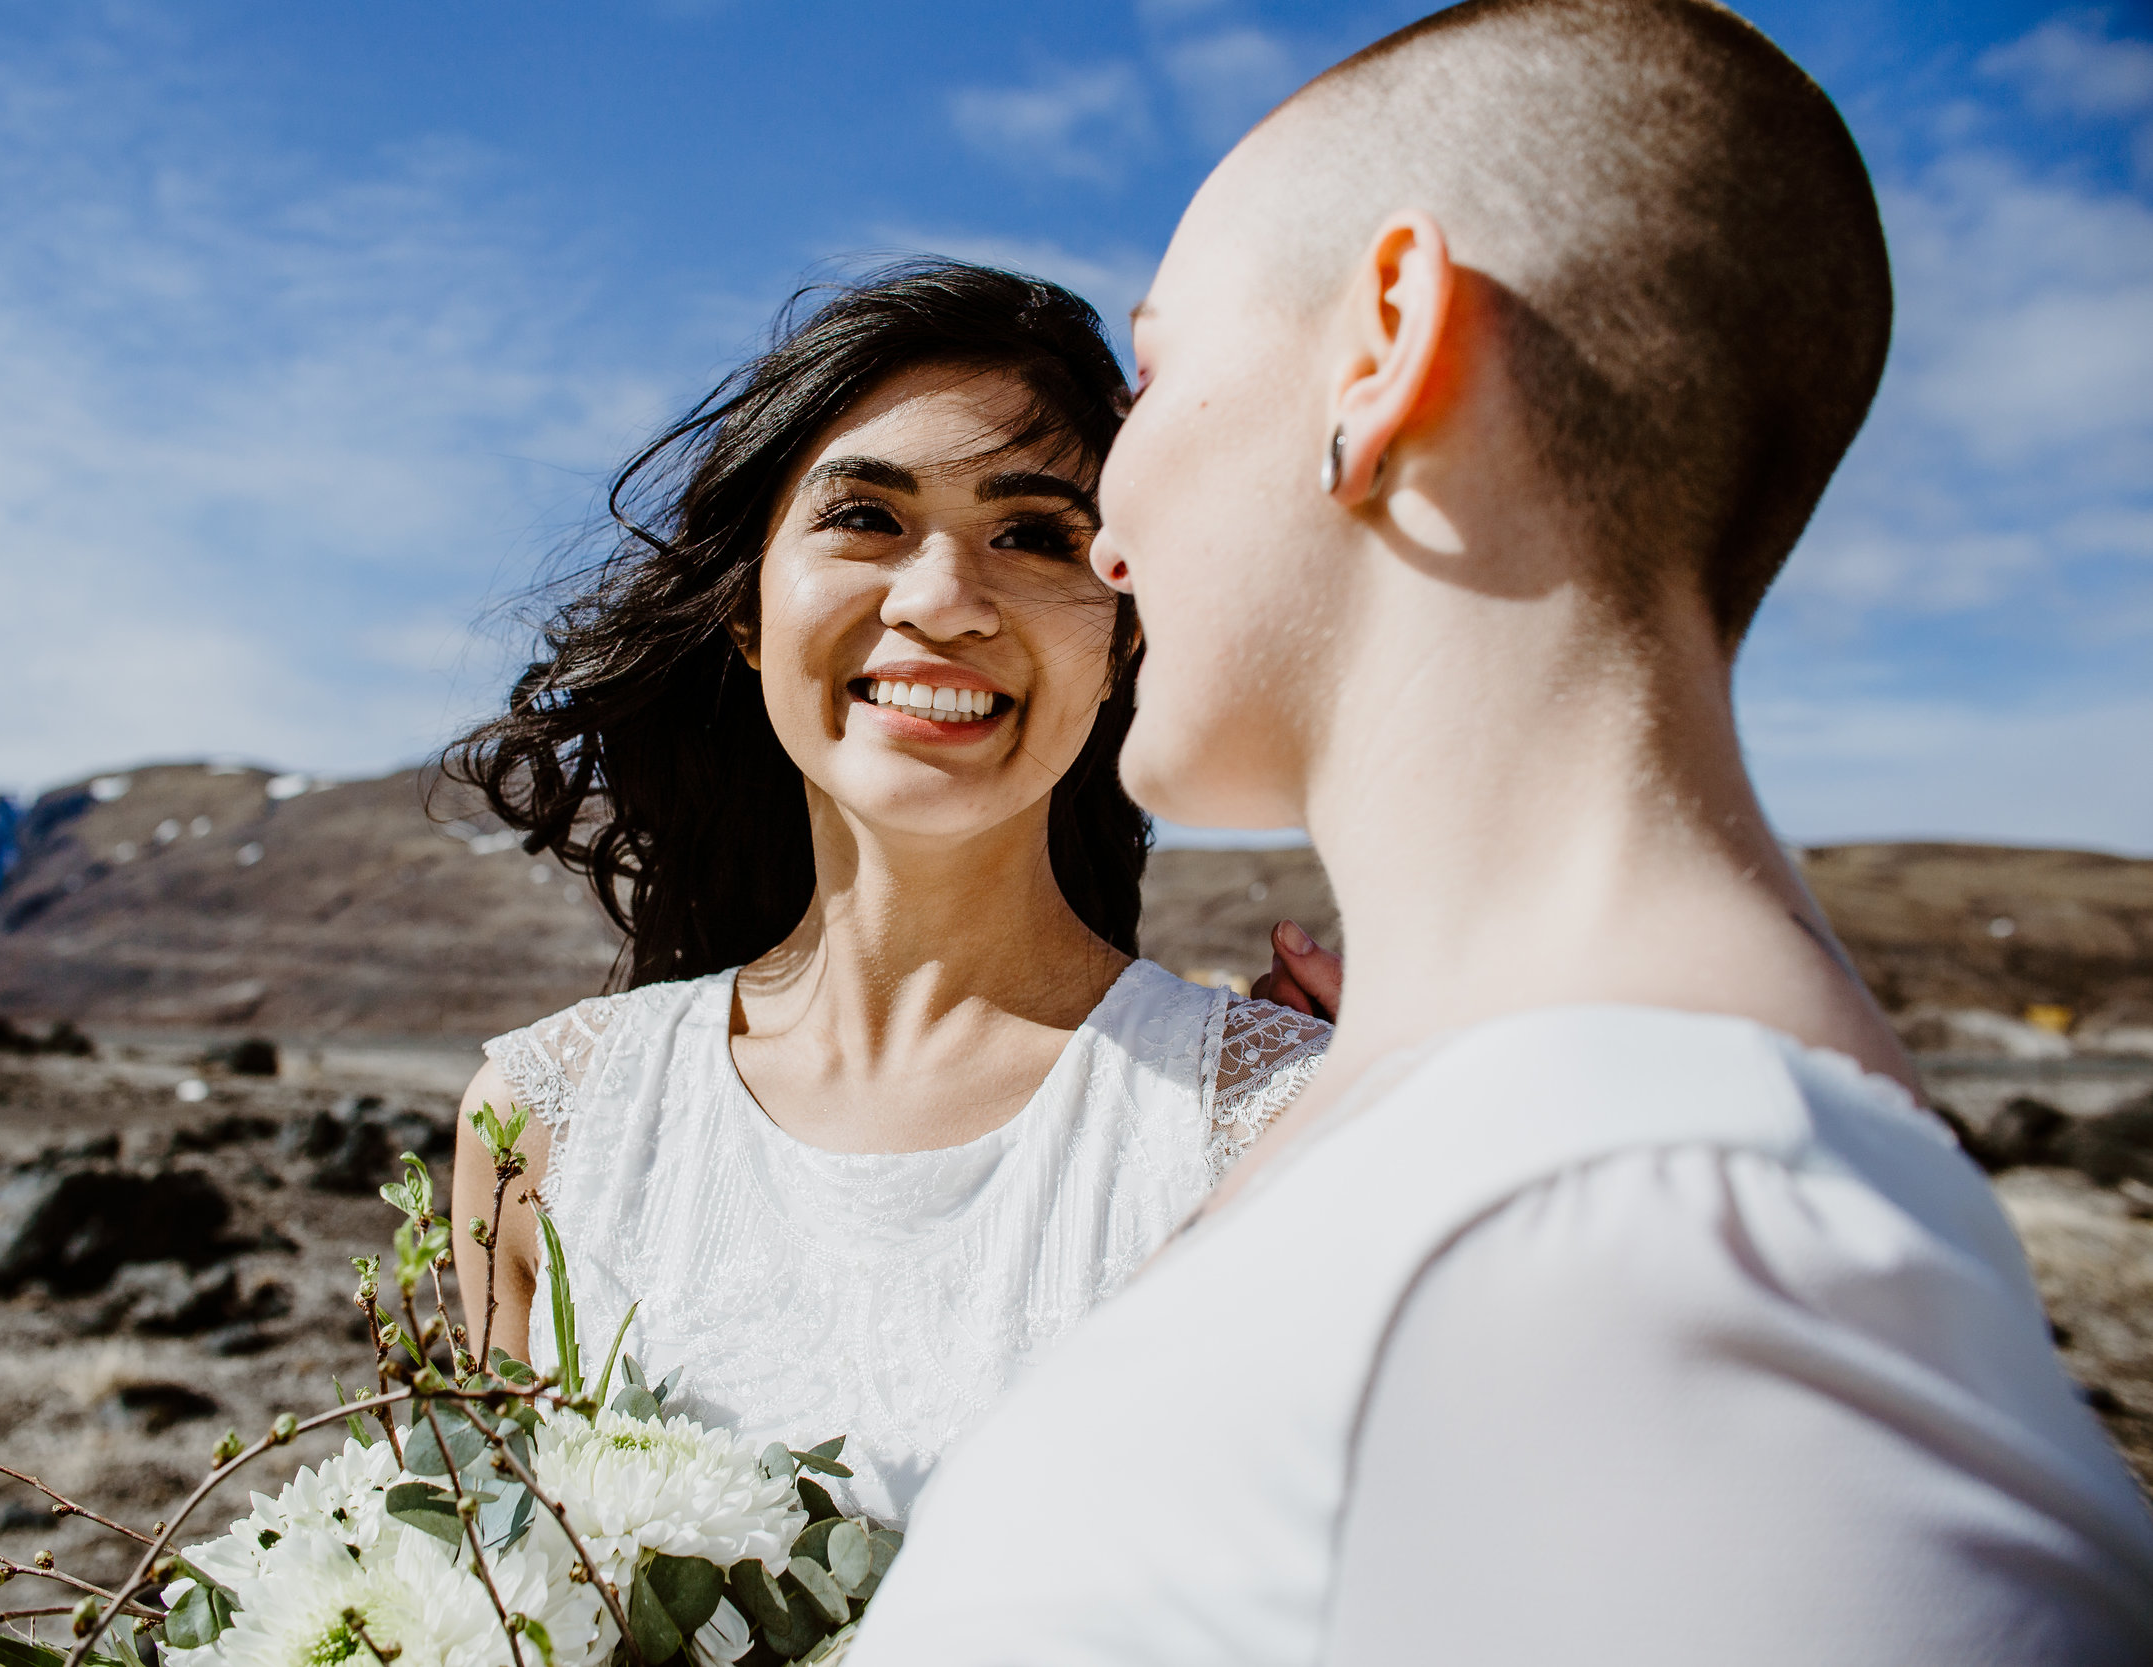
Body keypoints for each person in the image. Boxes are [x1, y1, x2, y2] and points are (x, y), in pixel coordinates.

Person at [849, 2, 2153, 1662]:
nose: (1109, 532)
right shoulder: (1551, 1185)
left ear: (1384, 336)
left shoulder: (1676, 1254)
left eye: (1160, 374)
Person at [439, 261, 1336, 1526]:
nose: (939, 602)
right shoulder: (543, 1121)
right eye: (864, 516)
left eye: (1031, 535)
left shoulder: (1287, 1124)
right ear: (746, 607)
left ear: (1122, 635)